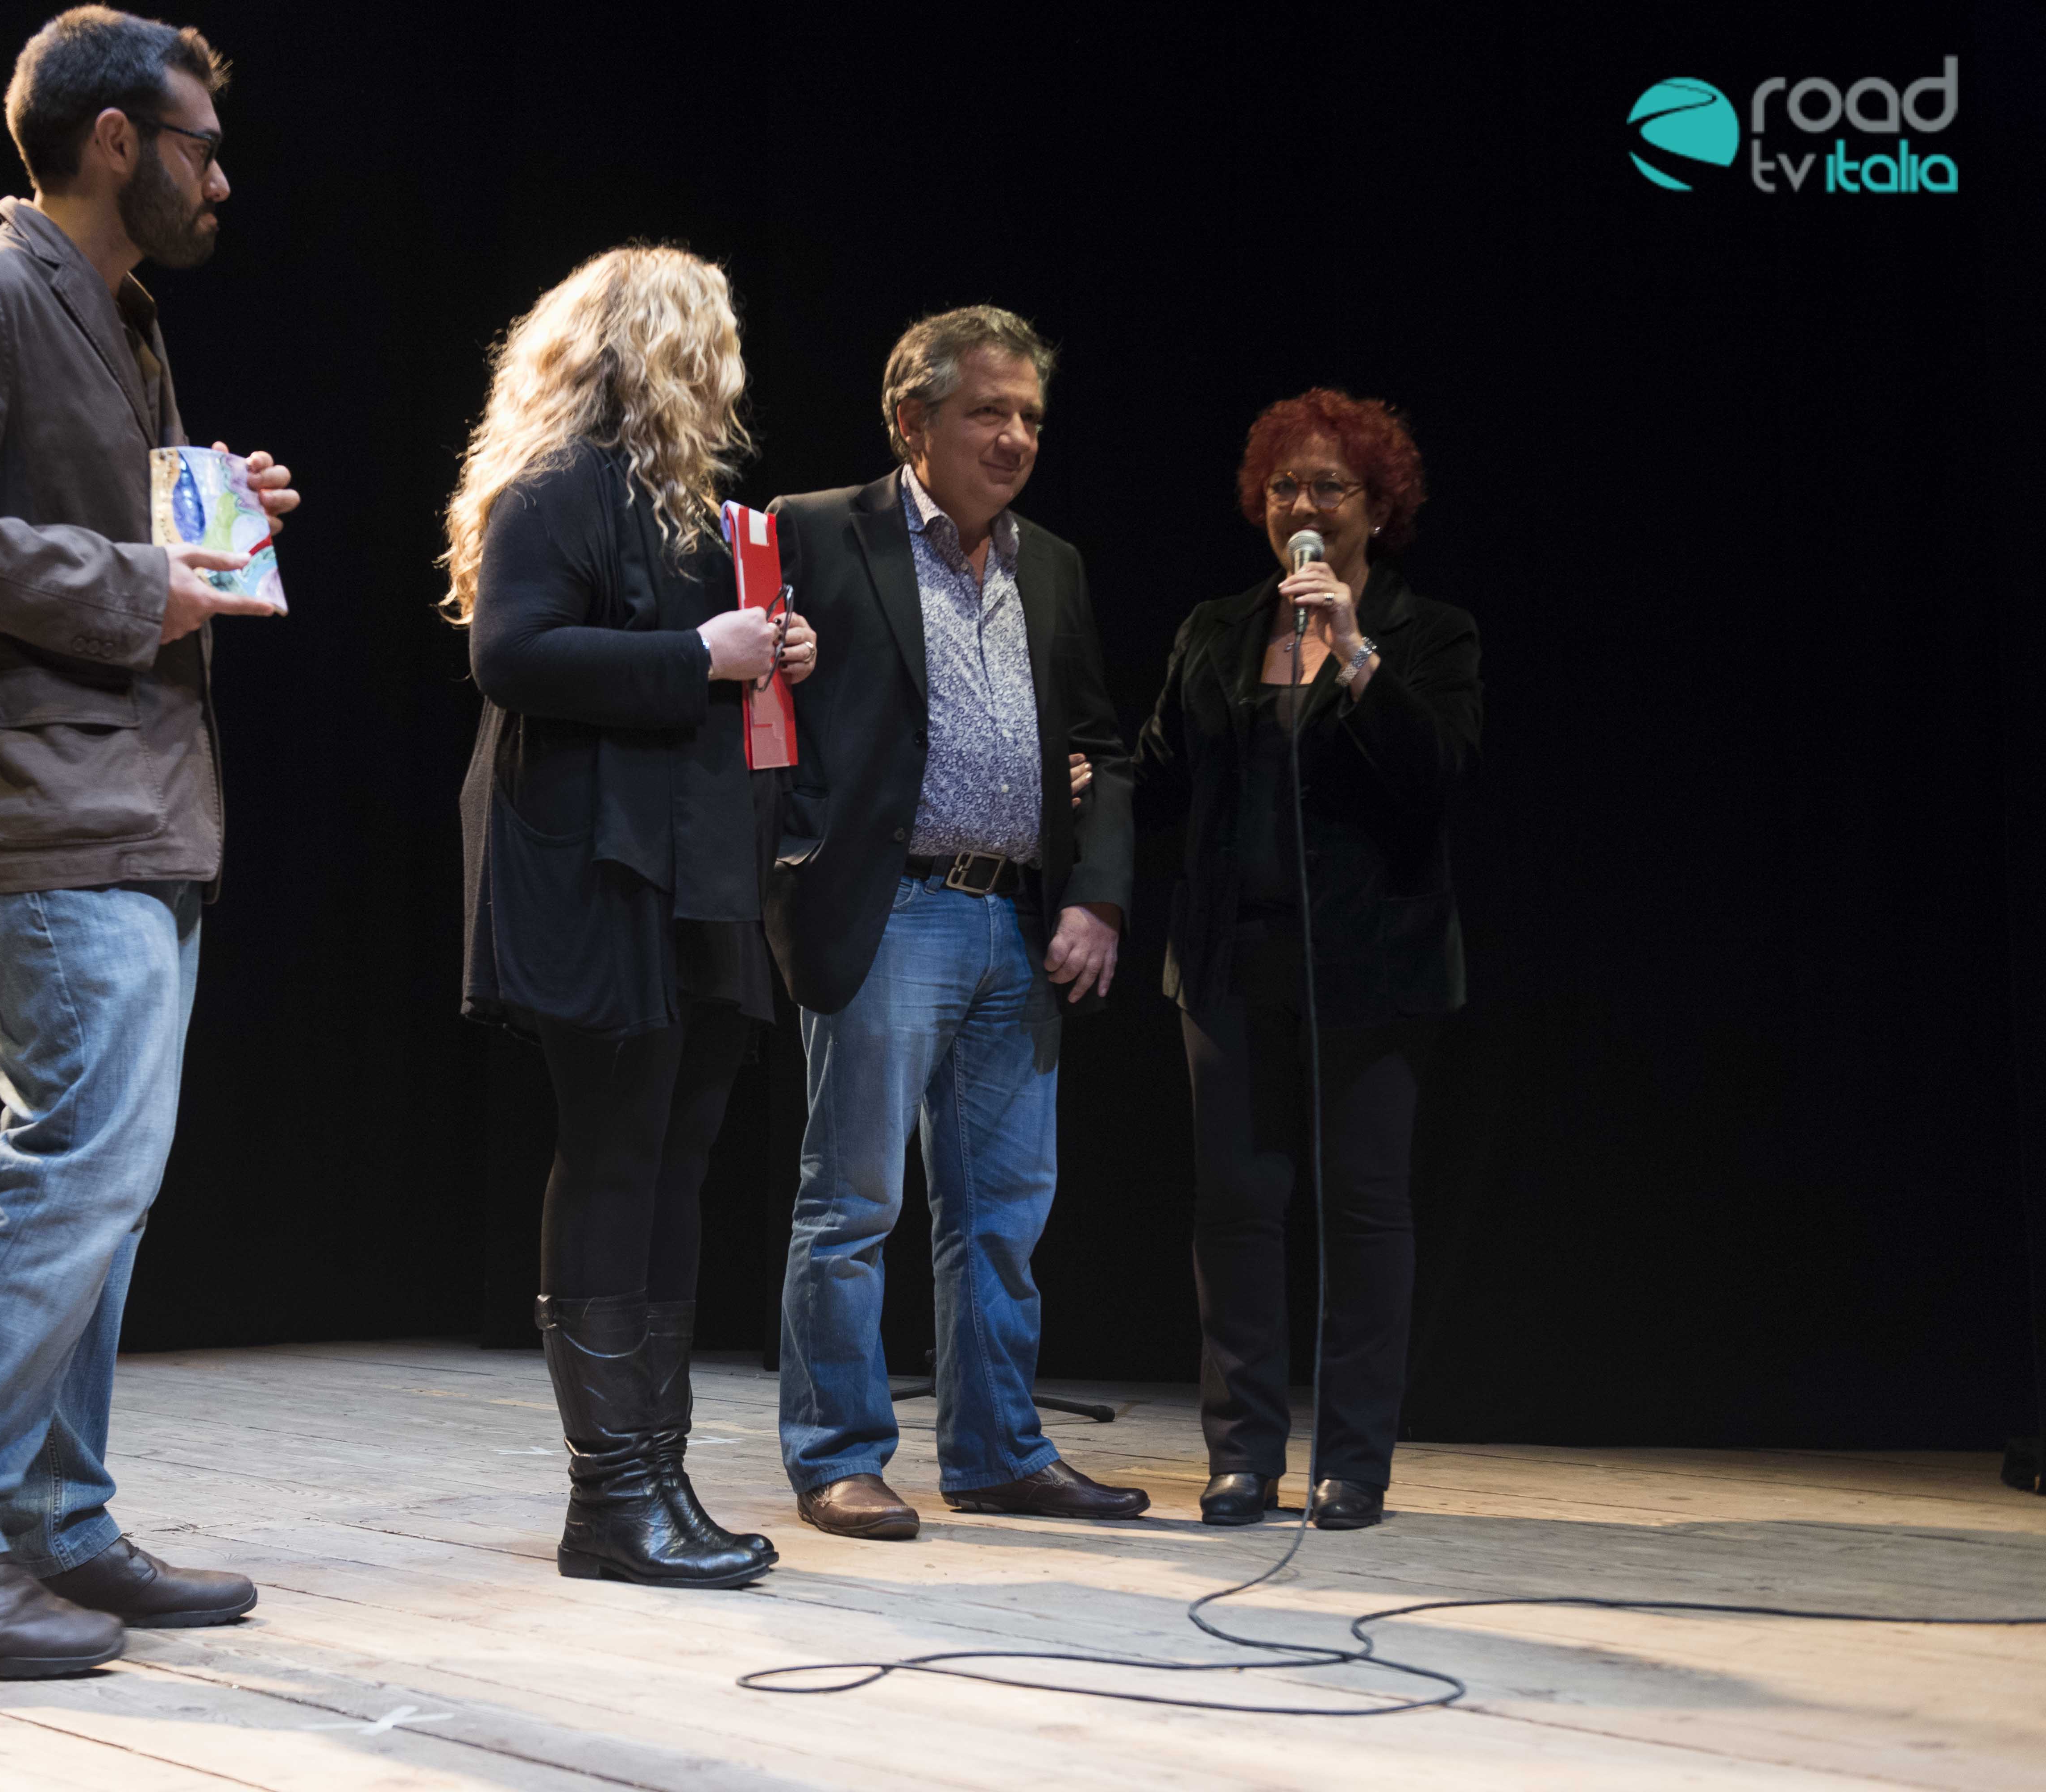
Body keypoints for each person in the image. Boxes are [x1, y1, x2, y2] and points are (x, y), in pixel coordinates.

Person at [0, 7, 298, 1675]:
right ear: (115, 141)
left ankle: (51, 1515)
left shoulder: (121, 315)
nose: (219, 181)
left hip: (140, 801)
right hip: (44, 799)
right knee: (76, 1164)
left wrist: (211, 520)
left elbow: (89, 524)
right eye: (200, 148)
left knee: (112, 1184)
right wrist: (128, 583)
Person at [450, 246, 820, 1588]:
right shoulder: (559, 486)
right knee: (616, 1147)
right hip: (597, 864)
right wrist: (697, 655)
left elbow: (707, 668)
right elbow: (510, 652)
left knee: (679, 1150)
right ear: (655, 352)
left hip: (692, 867)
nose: (728, 373)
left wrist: (770, 651)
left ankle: (656, 1475)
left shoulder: (689, 512)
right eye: (711, 345)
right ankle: (609, 1499)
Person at [764, 307, 1143, 1539]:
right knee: (853, 1205)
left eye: (1029, 414)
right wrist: (794, 853)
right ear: (911, 420)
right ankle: (837, 1456)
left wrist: (1095, 893)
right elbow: (756, 706)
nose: (1015, 436)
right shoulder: (816, 530)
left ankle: (996, 1453)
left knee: (1003, 1218)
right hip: (890, 910)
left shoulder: (1053, 564)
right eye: (988, 411)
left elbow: (1100, 746)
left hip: (1016, 920)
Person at [1136, 388, 1481, 1531]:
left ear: (1376, 508)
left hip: (1372, 968)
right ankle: (1241, 1456)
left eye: (1329, 486)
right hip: (1230, 961)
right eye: (1284, 485)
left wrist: (1354, 649)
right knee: (1236, 1207)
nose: (1303, 505)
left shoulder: (1429, 634)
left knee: (1362, 1211)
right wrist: (1089, 779)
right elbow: (1162, 773)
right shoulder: (1216, 628)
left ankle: (1353, 1464)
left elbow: (1436, 777)